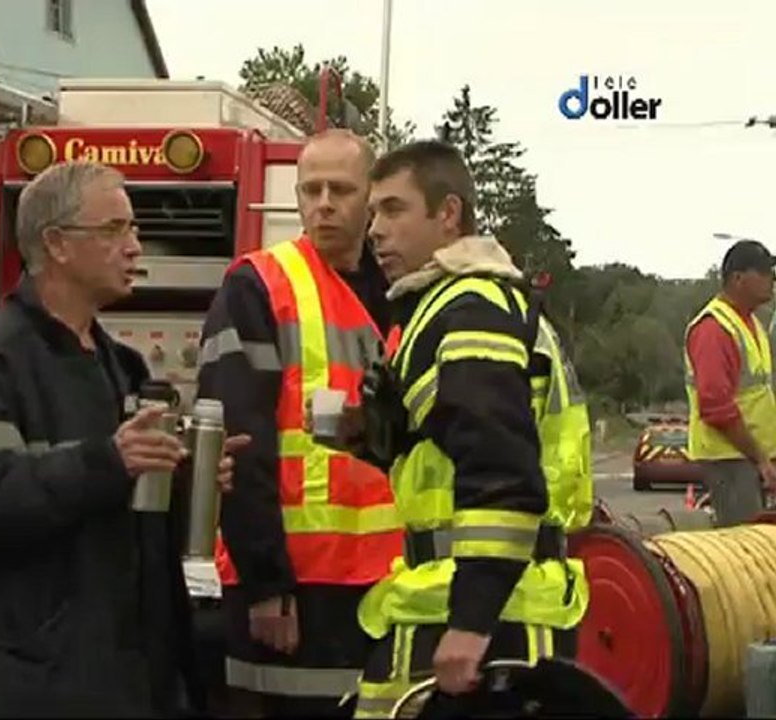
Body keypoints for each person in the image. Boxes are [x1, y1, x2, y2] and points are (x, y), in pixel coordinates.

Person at [0, 160, 248, 718]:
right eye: (114, 229)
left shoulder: (122, 366)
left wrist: (184, 477)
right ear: (57, 244)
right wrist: (109, 460)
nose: (135, 247)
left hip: (122, 682)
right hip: (24, 689)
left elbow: (121, 517)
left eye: (134, 229)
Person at [337, 139, 591, 717]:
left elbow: (500, 466)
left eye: (394, 209)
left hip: (488, 618)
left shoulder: (471, 304)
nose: (374, 230)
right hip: (489, 605)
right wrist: (382, 438)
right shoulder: (455, 303)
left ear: (448, 214)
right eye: (374, 212)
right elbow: (457, 450)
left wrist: (472, 620)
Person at [196, 128, 403, 717]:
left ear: (372, 198)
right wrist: (266, 583)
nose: (323, 204)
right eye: (310, 189)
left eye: (340, 189)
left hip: (388, 581)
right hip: (296, 587)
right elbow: (241, 444)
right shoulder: (258, 284)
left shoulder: (404, 291)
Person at [684, 239, 776, 526]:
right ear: (738, 278)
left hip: (748, 457)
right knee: (745, 552)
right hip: (729, 459)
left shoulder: (752, 324)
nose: (772, 280)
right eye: (764, 273)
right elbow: (715, 408)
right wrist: (760, 457)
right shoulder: (714, 329)